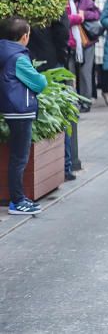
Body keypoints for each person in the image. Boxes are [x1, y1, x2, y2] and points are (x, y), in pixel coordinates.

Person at [0, 17, 48, 216]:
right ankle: (17, 201)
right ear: (24, 37)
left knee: (17, 156)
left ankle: (18, 198)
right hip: (20, 110)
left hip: (11, 108)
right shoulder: (18, 57)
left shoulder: (4, 51)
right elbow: (39, 83)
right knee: (20, 157)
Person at [66, 0, 100, 115]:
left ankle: (86, 102)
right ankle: (73, 102)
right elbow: (65, 19)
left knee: (85, 73)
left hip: (85, 42)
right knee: (69, 73)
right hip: (68, 42)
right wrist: (76, 18)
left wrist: (84, 14)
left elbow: (97, 14)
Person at [83, 0, 108, 106]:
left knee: (103, 67)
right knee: (90, 67)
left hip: (103, 37)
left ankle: (106, 90)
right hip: (88, 37)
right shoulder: (83, 0)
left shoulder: (104, 1)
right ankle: (92, 93)